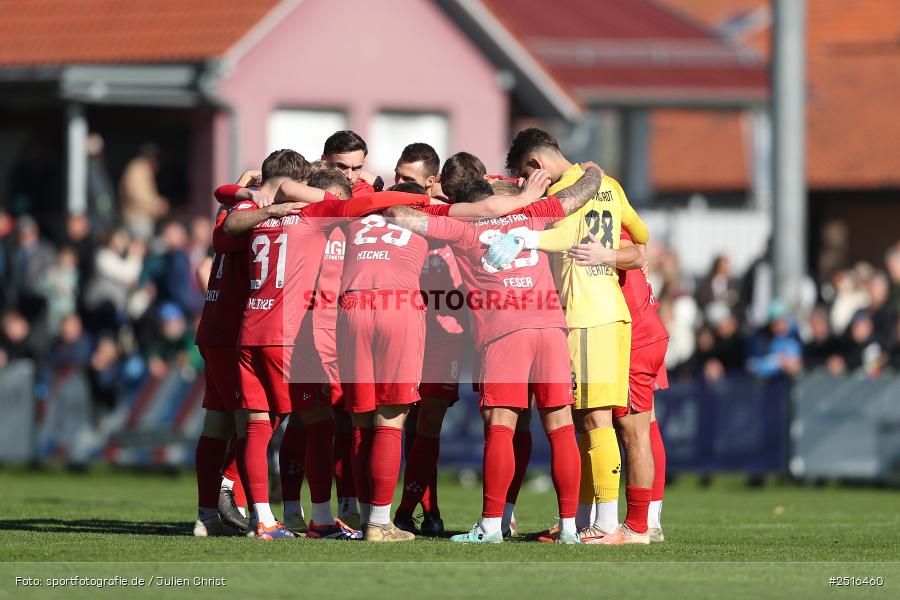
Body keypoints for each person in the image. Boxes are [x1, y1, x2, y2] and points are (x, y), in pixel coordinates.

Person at [384, 162, 603, 544]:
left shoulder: (462, 227)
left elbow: (398, 215)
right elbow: (573, 198)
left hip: (505, 333)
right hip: (550, 328)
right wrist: (593, 174)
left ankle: (490, 527)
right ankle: (570, 527)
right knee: (561, 427)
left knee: (500, 427)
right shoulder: (530, 213)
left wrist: (442, 206)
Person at [222, 152, 430, 540]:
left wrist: (258, 191)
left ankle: (266, 519)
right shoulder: (313, 216)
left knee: (261, 425)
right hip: (296, 335)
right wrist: (416, 201)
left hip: (255, 329)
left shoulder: (256, 213)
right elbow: (361, 203)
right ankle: (319, 517)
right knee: (318, 425)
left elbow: (227, 212)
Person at [501, 128, 649, 543]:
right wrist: (610, 254)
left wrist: (526, 238)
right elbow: (642, 235)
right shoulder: (608, 184)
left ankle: (605, 524)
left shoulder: (570, 190)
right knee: (588, 420)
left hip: (587, 313)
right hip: (611, 312)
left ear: (536, 166)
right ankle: (587, 520)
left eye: (529, 176)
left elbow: (567, 235)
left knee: (595, 419)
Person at [119, 143, 168, 240]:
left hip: (142, 217)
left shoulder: (142, 168)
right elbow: (136, 195)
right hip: (137, 218)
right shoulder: (138, 168)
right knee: (139, 249)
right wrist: (156, 204)